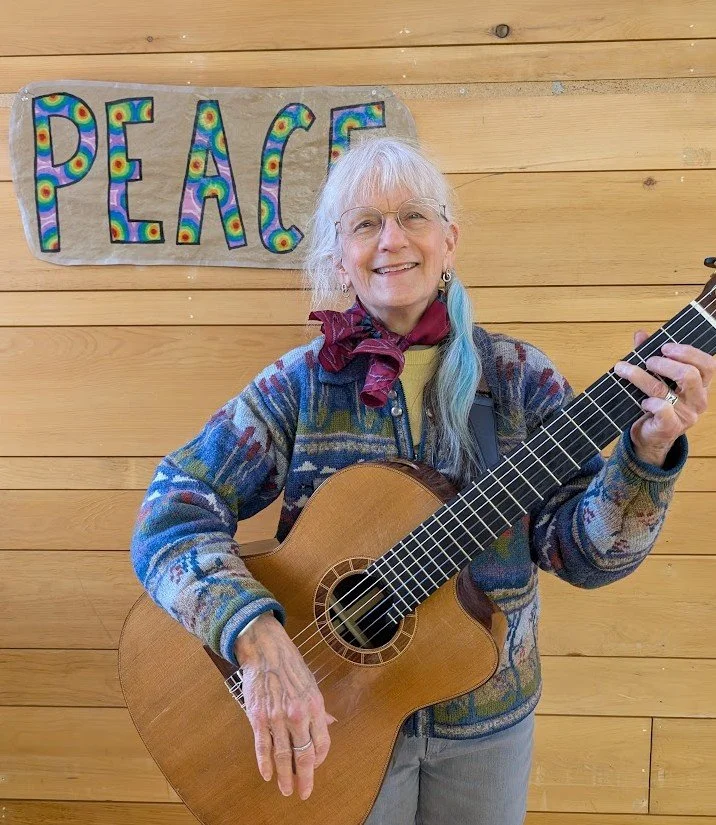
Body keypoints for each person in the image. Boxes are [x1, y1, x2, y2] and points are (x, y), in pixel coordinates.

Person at [130, 136, 714, 824]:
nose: (391, 240)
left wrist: (645, 455)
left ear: (449, 239)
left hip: (487, 726)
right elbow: (171, 511)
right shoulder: (300, 386)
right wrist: (256, 642)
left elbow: (586, 557)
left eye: (413, 216)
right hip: (328, 721)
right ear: (339, 255)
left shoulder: (519, 378)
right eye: (365, 223)